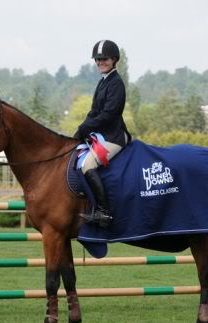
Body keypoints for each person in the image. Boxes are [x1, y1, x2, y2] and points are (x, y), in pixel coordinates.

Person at [75, 39, 132, 228]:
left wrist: (87, 128)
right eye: (97, 59)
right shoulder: (103, 82)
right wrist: (80, 130)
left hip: (113, 136)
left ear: (114, 59)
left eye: (104, 59)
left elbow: (108, 115)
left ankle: (104, 212)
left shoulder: (116, 84)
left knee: (88, 164)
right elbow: (94, 112)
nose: (100, 62)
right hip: (101, 135)